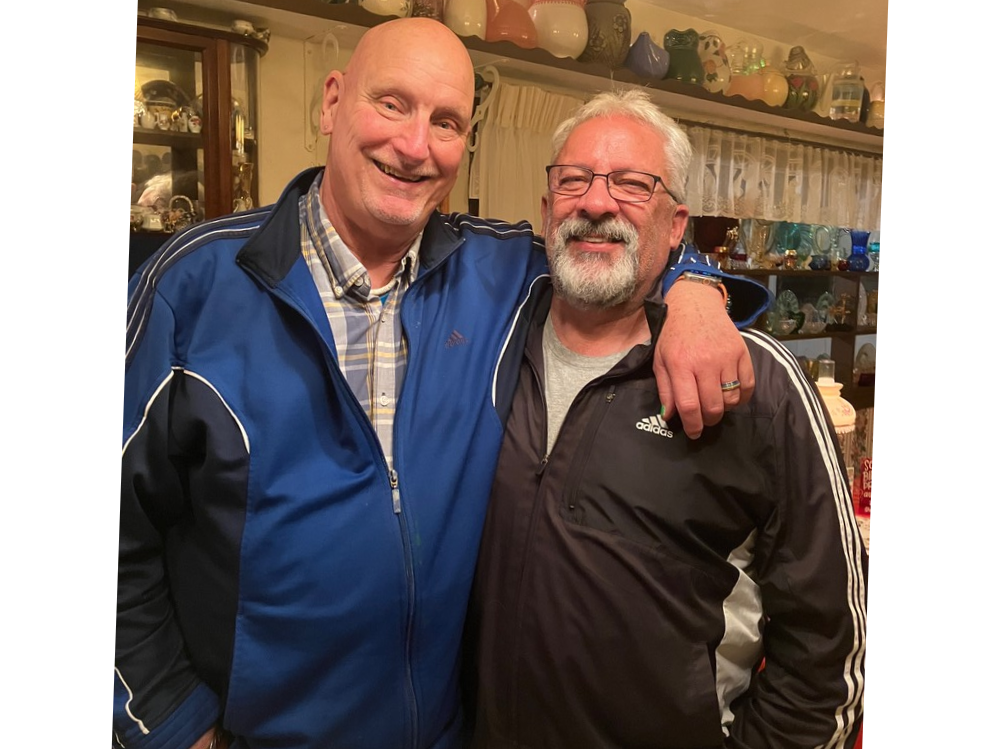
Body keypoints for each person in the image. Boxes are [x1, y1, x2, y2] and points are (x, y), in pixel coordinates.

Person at [119, 18, 769, 749]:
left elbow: (614, 240)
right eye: (392, 104)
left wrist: (696, 292)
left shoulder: (500, 273)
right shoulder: (192, 287)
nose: (415, 145)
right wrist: (172, 727)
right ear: (332, 103)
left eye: (447, 122)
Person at [466, 89, 868, 748]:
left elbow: (829, 649)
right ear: (546, 208)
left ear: (676, 224)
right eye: (574, 179)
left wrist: (698, 286)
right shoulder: (490, 341)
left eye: (632, 183)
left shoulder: (757, 381)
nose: (597, 203)